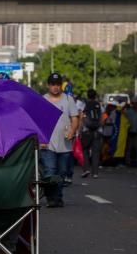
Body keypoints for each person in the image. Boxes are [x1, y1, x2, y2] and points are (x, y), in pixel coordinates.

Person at [41, 72, 79, 208]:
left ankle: (58, 197)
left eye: (58, 84)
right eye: (52, 84)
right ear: (48, 85)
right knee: (50, 171)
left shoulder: (69, 100)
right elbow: (38, 121)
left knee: (61, 173)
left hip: (65, 144)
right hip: (47, 144)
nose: (55, 87)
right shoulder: (43, 100)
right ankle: (51, 197)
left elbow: (75, 118)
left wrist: (72, 131)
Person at [80, 89, 102, 179]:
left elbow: (82, 117)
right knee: (95, 152)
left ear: (87, 95)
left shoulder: (84, 104)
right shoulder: (99, 105)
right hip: (97, 131)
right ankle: (95, 173)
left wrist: (80, 130)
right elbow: (101, 118)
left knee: (85, 150)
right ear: (95, 95)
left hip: (87, 131)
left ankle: (86, 169)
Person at [125, 101, 137, 167]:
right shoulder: (128, 111)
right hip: (130, 132)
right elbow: (124, 119)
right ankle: (127, 162)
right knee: (128, 148)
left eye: (136, 103)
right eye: (134, 103)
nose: (135, 105)